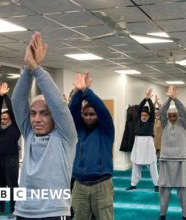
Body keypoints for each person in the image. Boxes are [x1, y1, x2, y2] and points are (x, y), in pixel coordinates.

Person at [12, 32, 77, 219]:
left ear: (54, 117)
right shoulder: (29, 134)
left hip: (54, 213)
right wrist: (27, 69)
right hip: (23, 211)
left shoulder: (65, 137)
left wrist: (37, 69)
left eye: (44, 113)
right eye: (33, 113)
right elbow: (17, 101)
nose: (36, 119)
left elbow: (59, 105)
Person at [69, 72, 115, 220]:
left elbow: (102, 109)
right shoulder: (79, 130)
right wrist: (78, 93)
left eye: (92, 114)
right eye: (86, 114)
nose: (88, 117)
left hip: (101, 185)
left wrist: (87, 92)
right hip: (79, 185)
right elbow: (71, 113)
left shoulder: (106, 129)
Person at [158, 86, 186, 220]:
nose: (172, 117)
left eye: (174, 115)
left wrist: (175, 99)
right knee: (164, 189)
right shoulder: (164, 124)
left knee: (183, 190)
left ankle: (185, 215)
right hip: (166, 159)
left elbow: (184, 112)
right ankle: (162, 214)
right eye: (170, 115)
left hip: (181, 160)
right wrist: (169, 98)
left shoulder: (183, 123)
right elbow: (161, 110)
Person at [0, 82, 20, 219]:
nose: (2, 120)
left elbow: (13, 112)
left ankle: (15, 209)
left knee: (13, 186)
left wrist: (6, 96)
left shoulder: (15, 127)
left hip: (11, 160)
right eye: (1, 119)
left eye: (5, 119)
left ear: (10, 120)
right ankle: (1, 208)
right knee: (0, 185)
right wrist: (0, 96)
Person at [126, 89, 159, 192]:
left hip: (148, 144)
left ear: (149, 116)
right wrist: (145, 99)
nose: (144, 116)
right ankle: (133, 184)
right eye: (142, 115)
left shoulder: (151, 121)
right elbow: (139, 108)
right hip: (138, 144)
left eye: (146, 115)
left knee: (152, 165)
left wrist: (149, 100)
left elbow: (152, 110)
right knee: (135, 165)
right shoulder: (138, 121)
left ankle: (157, 185)